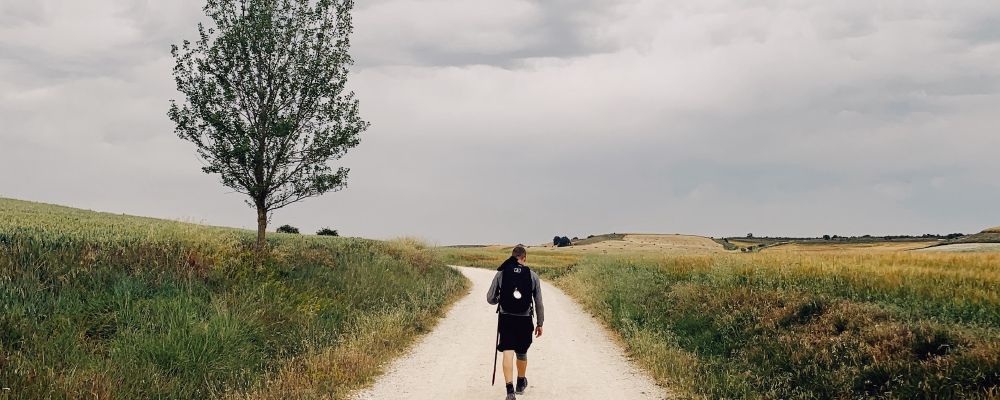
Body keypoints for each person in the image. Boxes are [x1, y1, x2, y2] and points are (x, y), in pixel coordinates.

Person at [487, 245, 544, 400]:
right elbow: (538, 302)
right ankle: (520, 382)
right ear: (524, 258)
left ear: (512, 256)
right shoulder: (532, 275)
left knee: (507, 351)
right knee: (522, 352)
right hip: (525, 320)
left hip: (506, 319)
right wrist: (540, 323)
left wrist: (501, 299)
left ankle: (510, 390)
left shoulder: (501, 273)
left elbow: (490, 298)